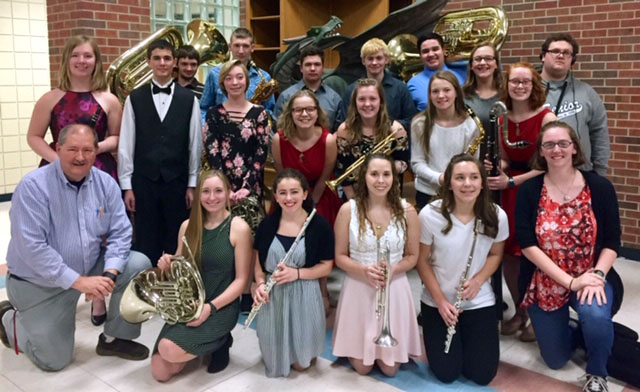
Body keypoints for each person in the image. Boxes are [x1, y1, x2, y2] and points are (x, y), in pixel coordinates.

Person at [0, 124, 151, 371]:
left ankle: (114, 339)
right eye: (72, 149)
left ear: (96, 152)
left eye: (87, 150)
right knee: (53, 360)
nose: (80, 157)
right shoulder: (33, 187)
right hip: (38, 282)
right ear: (58, 149)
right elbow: (33, 249)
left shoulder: (105, 183)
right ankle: (10, 320)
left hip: (87, 267)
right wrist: (80, 282)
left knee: (138, 263)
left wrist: (108, 276)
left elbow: (121, 232)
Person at [515, 121, 622, 392]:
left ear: (574, 148)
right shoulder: (530, 190)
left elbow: (612, 241)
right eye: (549, 144)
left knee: (595, 315)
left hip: (589, 272)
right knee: (555, 360)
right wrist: (570, 283)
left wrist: (597, 275)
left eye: (563, 143)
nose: (556, 149)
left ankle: (597, 373)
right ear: (541, 151)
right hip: (546, 279)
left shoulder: (599, 187)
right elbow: (527, 244)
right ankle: (575, 328)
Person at [26, 35, 123, 326]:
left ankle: (98, 297)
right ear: (67, 60)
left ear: (97, 61)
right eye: (76, 55)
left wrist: (90, 153)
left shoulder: (109, 100)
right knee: (62, 232)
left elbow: (117, 138)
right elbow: (33, 136)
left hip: (101, 171)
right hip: (56, 172)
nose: (82, 61)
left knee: (101, 232)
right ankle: (62, 291)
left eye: (88, 56)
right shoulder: (50, 98)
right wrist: (62, 160)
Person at [151, 170, 253, 381]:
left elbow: (242, 281)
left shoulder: (238, 228)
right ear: (198, 195)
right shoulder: (187, 227)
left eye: (218, 191)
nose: (212, 197)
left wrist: (210, 308)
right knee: (161, 372)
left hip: (220, 307)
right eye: (205, 191)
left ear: (228, 193)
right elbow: (179, 271)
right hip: (190, 305)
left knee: (168, 349)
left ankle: (221, 340)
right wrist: (166, 266)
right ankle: (201, 345)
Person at [416, 153, 508, 385]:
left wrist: (478, 280)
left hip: (479, 300)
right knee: (447, 373)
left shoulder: (497, 215)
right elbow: (422, 261)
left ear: (482, 181)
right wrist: (440, 302)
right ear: (448, 182)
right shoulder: (429, 214)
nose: (467, 184)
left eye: (473, 177)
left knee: (482, 375)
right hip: (439, 302)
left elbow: (496, 254)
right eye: (459, 178)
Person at [332, 153, 423, 376]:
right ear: (364, 177)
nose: (380, 180)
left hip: (394, 286)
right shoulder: (348, 210)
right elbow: (340, 256)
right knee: (362, 369)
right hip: (359, 287)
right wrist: (363, 270)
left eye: (386, 174)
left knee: (390, 369)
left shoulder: (407, 211)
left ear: (394, 178)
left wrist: (393, 270)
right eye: (374, 174)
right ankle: (357, 343)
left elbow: (412, 256)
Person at [486, 62, 556, 341]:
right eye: (515, 81)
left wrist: (512, 181)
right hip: (509, 190)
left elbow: (549, 164)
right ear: (507, 85)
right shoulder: (503, 119)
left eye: (526, 82)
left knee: (534, 254)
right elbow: (506, 157)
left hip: (536, 189)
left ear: (534, 85)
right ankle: (519, 310)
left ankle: (539, 314)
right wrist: (497, 167)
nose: (520, 86)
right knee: (508, 254)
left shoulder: (546, 118)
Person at [118, 39, 202, 266]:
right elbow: (127, 143)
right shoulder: (135, 98)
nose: (162, 63)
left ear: (174, 62)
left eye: (167, 58)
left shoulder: (189, 99)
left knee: (177, 236)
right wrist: (127, 185)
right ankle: (148, 287)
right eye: (157, 58)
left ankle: (175, 286)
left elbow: (195, 143)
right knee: (146, 237)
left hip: (177, 181)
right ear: (148, 62)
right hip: (144, 181)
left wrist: (192, 183)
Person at [252, 169, 334, 377]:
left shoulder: (319, 225)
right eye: (283, 193)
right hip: (275, 297)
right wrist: (260, 284)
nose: (289, 198)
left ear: (305, 194)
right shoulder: (267, 225)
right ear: (276, 196)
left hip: (304, 292)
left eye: (294, 192)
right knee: (274, 361)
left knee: (301, 364)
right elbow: (258, 263)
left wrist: (297, 274)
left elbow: (326, 266)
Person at [539, 33, 609, 176]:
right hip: (536, 173)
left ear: (573, 60)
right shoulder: (526, 91)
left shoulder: (587, 93)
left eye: (566, 53)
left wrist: (599, 173)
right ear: (543, 56)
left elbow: (599, 134)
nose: (560, 56)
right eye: (555, 51)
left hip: (580, 174)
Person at [410, 71, 481, 211]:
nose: (441, 96)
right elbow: (417, 163)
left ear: (456, 92)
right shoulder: (419, 123)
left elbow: (473, 164)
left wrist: (457, 180)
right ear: (430, 95)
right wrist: (439, 178)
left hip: (460, 194)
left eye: (447, 90)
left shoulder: (471, 124)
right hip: (428, 194)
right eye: (435, 91)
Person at [204, 59, 271, 206]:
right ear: (223, 83)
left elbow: (261, 152)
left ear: (246, 81)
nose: (235, 82)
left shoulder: (259, 113)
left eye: (239, 77)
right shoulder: (213, 113)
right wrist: (225, 187)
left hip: (251, 186)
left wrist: (247, 187)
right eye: (229, 78)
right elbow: (212, 151)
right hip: (221, 187)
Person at [272, 90, 341, 225]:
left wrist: (310, 205)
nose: (304, 114)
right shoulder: (278, 140)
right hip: (288, 195)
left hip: (319, 195)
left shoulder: (328, 141)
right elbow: (281, 175)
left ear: (317, 112)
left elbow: (325, 177)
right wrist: (293, 201)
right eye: (298, 110)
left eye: (310, 109)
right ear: (290, 114)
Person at [336, 78, 409, 200]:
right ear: (355, 103)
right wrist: (353, 203)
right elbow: (342, 171)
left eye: (373, 99)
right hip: (356, 195)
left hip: (388, 194)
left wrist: (387, 167)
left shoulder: (396, 130)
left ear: (381, 102)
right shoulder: (345, 130)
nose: (367, 104)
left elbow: (405, 163)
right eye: (362, 99)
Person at [200, 27, 275, 122]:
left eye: (245, 46)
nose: (241, 51)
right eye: (237, 45)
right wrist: (206, 127)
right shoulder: (214, 74)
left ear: (252, 48)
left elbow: (270, 110)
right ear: (230, 46)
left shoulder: (264, 77)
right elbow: (203, 108)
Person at [341, 38, 417, 132]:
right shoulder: (351, 90)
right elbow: (344, 122)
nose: (374, 62)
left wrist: (396, 125)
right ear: (363, 61)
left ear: (386, 60)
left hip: (392, 143)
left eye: (379, 58)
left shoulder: (400, 88)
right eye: (370, 58)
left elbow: (412, 120)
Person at [274, 45, 345, 132]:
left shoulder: (334, 99)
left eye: (317, 64)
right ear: (301, 68)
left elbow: (339, 132)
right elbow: (278, 129)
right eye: (308, 65)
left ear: (323, 68)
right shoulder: (286, 96)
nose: (312, 68)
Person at [463, 42, 504, 158]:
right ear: (471, 65)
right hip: (469, 163)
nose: (483, 63)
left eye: (488, 58)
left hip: (501, 166)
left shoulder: (507, 95)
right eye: (478, 59)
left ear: (496, 64)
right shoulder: (460, 96)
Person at [408, 33, 466, 111]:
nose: (431, 54)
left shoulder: (462, 75)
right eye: (425, 51)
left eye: (435, 49)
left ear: (443, 50)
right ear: (420, 55)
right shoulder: (412, 84)